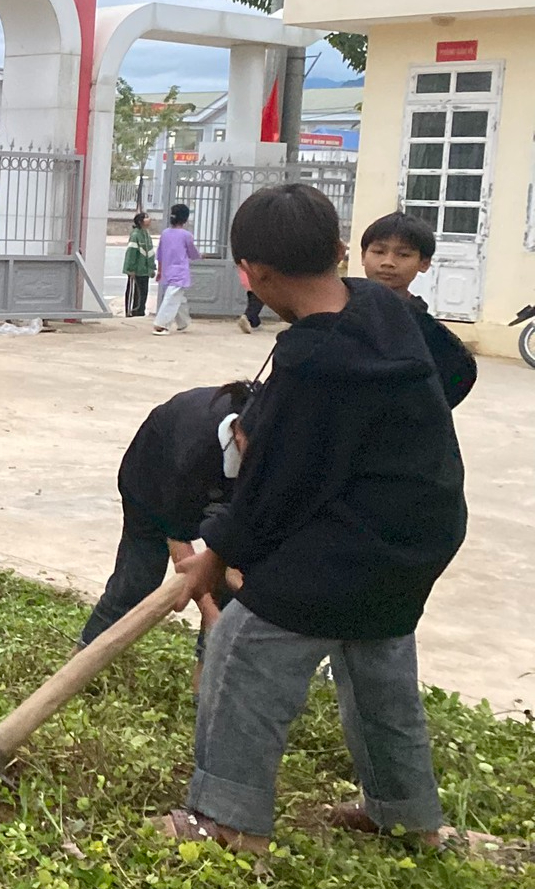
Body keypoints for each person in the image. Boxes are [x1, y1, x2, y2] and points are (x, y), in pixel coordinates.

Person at [162, 183, 468, 853]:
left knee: (242, 645)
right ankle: (406, 815)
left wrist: (218, 551)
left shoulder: (311, 362)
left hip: (353, 539)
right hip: (425, 524)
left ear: (256, 275)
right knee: (374, 652)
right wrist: (390, 429)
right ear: (338, 251)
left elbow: (279, 491)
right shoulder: (384, 306)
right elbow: (459, 368)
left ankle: (226, 821)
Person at [77, 381, 256, 681]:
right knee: (138, 581)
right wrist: (210, 615)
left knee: (229, 592)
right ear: (238, 432)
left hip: (215, 485)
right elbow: (182, 552)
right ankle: (80, 666)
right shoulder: (194, 452)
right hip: (149, 483)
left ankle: (204, 697)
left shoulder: (269, 443)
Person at [358, 209, 477, 409]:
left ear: (424, 263)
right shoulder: (345, 309)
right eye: (378, 252)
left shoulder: (424, 326)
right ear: (363, 256)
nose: (388, 262)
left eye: (403, 254)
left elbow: (459, 376)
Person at [153, 203, 198, 334]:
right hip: (180, 272)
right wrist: (201, 256)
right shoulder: (186, 235)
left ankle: (183, 322)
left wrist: (160, 271)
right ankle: (161, 324)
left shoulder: (165, 233)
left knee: (178, 298)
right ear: (185, 219)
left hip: (168, 270)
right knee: (172, 298)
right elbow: (193, 253)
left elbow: (160, 254)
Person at [122, 211, 155, 318]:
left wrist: (152, 268)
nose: (149, 219)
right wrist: (130, 268)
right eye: (146, 217)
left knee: (143, 292)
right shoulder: (136, 235)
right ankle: (131, 311)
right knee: (134, 291)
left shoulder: (146, 235)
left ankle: (140, 311)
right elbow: (131, 253)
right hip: (136, 270)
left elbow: (150, 253)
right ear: (140, 221)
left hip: (144, 270)